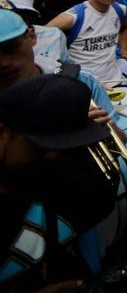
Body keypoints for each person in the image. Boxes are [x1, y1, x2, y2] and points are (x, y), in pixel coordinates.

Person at [0, 74, 112, 292]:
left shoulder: (53, 171)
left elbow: (101, 202)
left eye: (63, 146)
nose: (52, 155)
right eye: (40, 145)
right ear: (3, 132)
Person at [45, 0, 127, 86]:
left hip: (113, 79)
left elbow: (125, 28)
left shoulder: (120, 10)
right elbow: (40, 37)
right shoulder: (73, 16)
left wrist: (124, 49)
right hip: (83, 84)